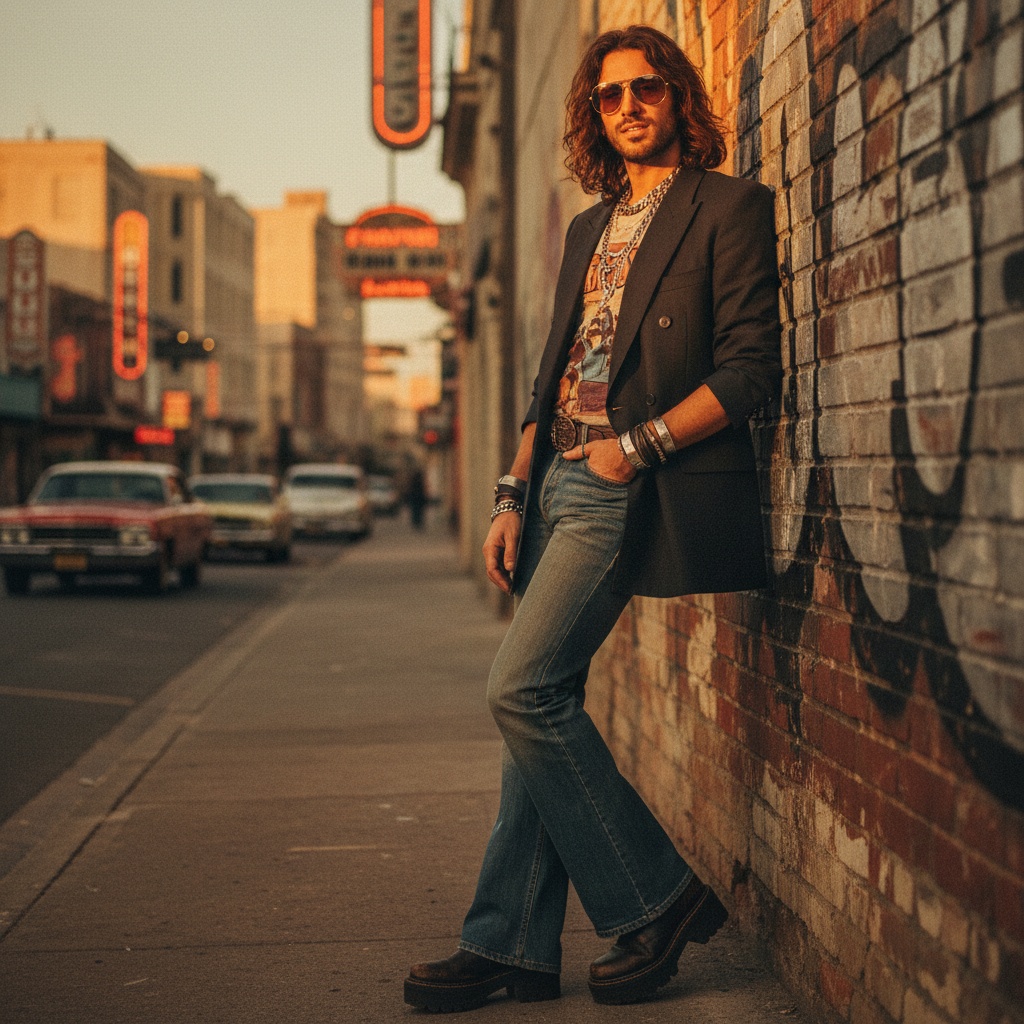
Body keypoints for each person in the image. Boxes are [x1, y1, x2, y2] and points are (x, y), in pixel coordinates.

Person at [405, 23, 782, 1012]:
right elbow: (546, 380)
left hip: (627, 481)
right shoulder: (588, 227)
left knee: (521, 689)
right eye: (609, 95)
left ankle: (654, 895)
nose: (627, 107)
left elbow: (748, 370)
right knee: (539, 697)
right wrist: (508, 494)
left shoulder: (729, 209)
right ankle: (515, 945)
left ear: (675, 98)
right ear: (593, 112)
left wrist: (638, 447)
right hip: (556, 481)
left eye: (645, 89)